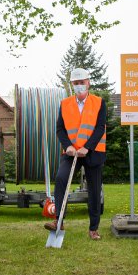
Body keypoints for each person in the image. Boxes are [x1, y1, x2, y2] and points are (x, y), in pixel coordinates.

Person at [44, 68, 106, 240]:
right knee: (62, 178)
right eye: (76, 83)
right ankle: (59, 220)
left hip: (93, 152)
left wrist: (88, 147)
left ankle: (93, 228)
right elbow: (60, 129)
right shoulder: (65, 104)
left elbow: (101, 127)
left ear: (88, 82)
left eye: (82, 82)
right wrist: (68, 145)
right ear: (72, 84)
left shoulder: (99, 102)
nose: (79, 85)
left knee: (94, 190)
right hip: (71, 152)